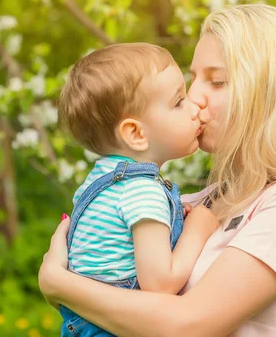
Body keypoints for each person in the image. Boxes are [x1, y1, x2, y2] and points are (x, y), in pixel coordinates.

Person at [39, 4, 276, 336]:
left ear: (271, 95)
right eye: (193, 80)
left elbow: (189, 327)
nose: (195, 98)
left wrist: (59, 283)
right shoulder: (210, 198)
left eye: (217, 81)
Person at [56, 43, 219, 336]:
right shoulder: (142, 191)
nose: (195, 107)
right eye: (178, 102)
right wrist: (196, 228)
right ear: (136, 133)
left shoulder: (103, 180)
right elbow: (160, 284)